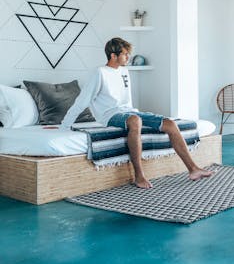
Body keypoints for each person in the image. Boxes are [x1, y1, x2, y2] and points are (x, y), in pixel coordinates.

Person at [59, 37, 213, 189]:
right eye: (125, 54)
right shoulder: (99, 73)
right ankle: (139, 176)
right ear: (113, 56)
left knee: (170, 124)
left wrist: (134, 113)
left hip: (129, 112)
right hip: (109, 115)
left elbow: (127, 103)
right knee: (135, 121)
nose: (128, 57)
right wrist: (65, 125)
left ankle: (193, 169)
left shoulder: (125, 71)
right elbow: (83, 100)